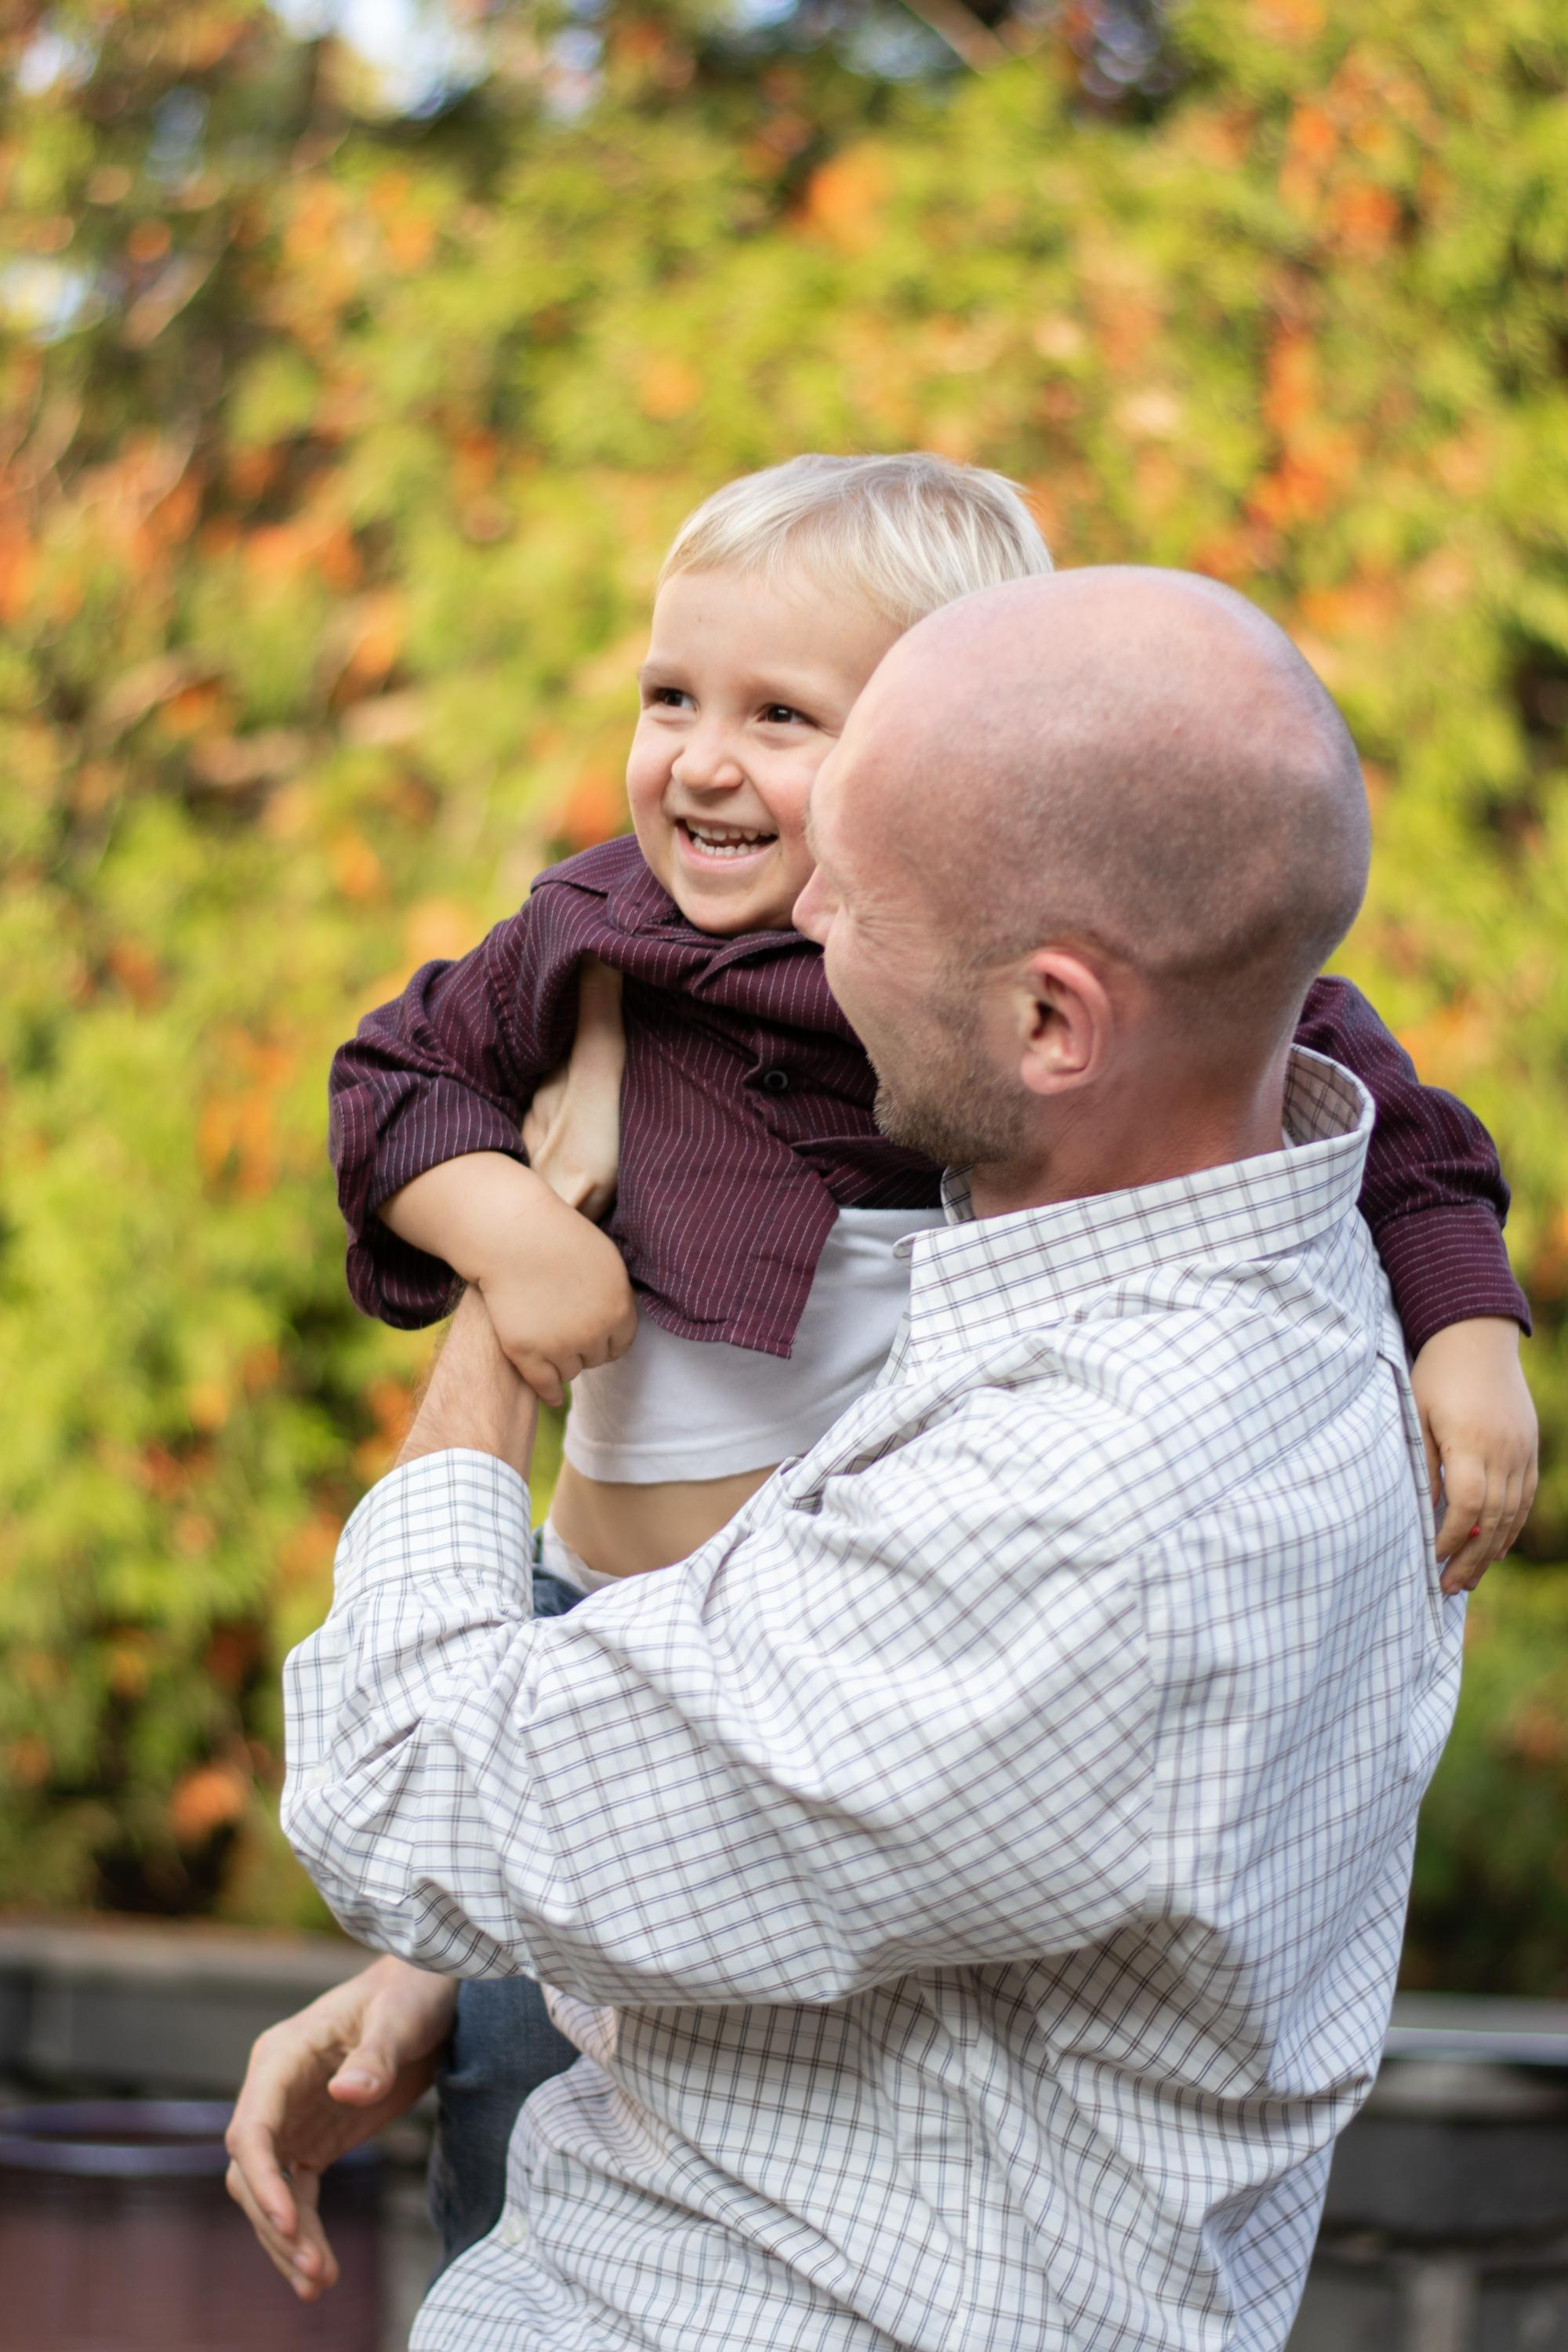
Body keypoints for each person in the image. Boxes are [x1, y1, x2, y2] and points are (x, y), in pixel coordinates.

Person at [234, 567, 1534, 2350]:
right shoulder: (1277, 1273)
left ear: (1052, 1023)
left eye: (862, 890)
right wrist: (441, 1971)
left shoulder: (1078, 1511)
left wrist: (517, 1262)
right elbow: (819, 1832)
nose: (794, 914)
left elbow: (399, 1783)